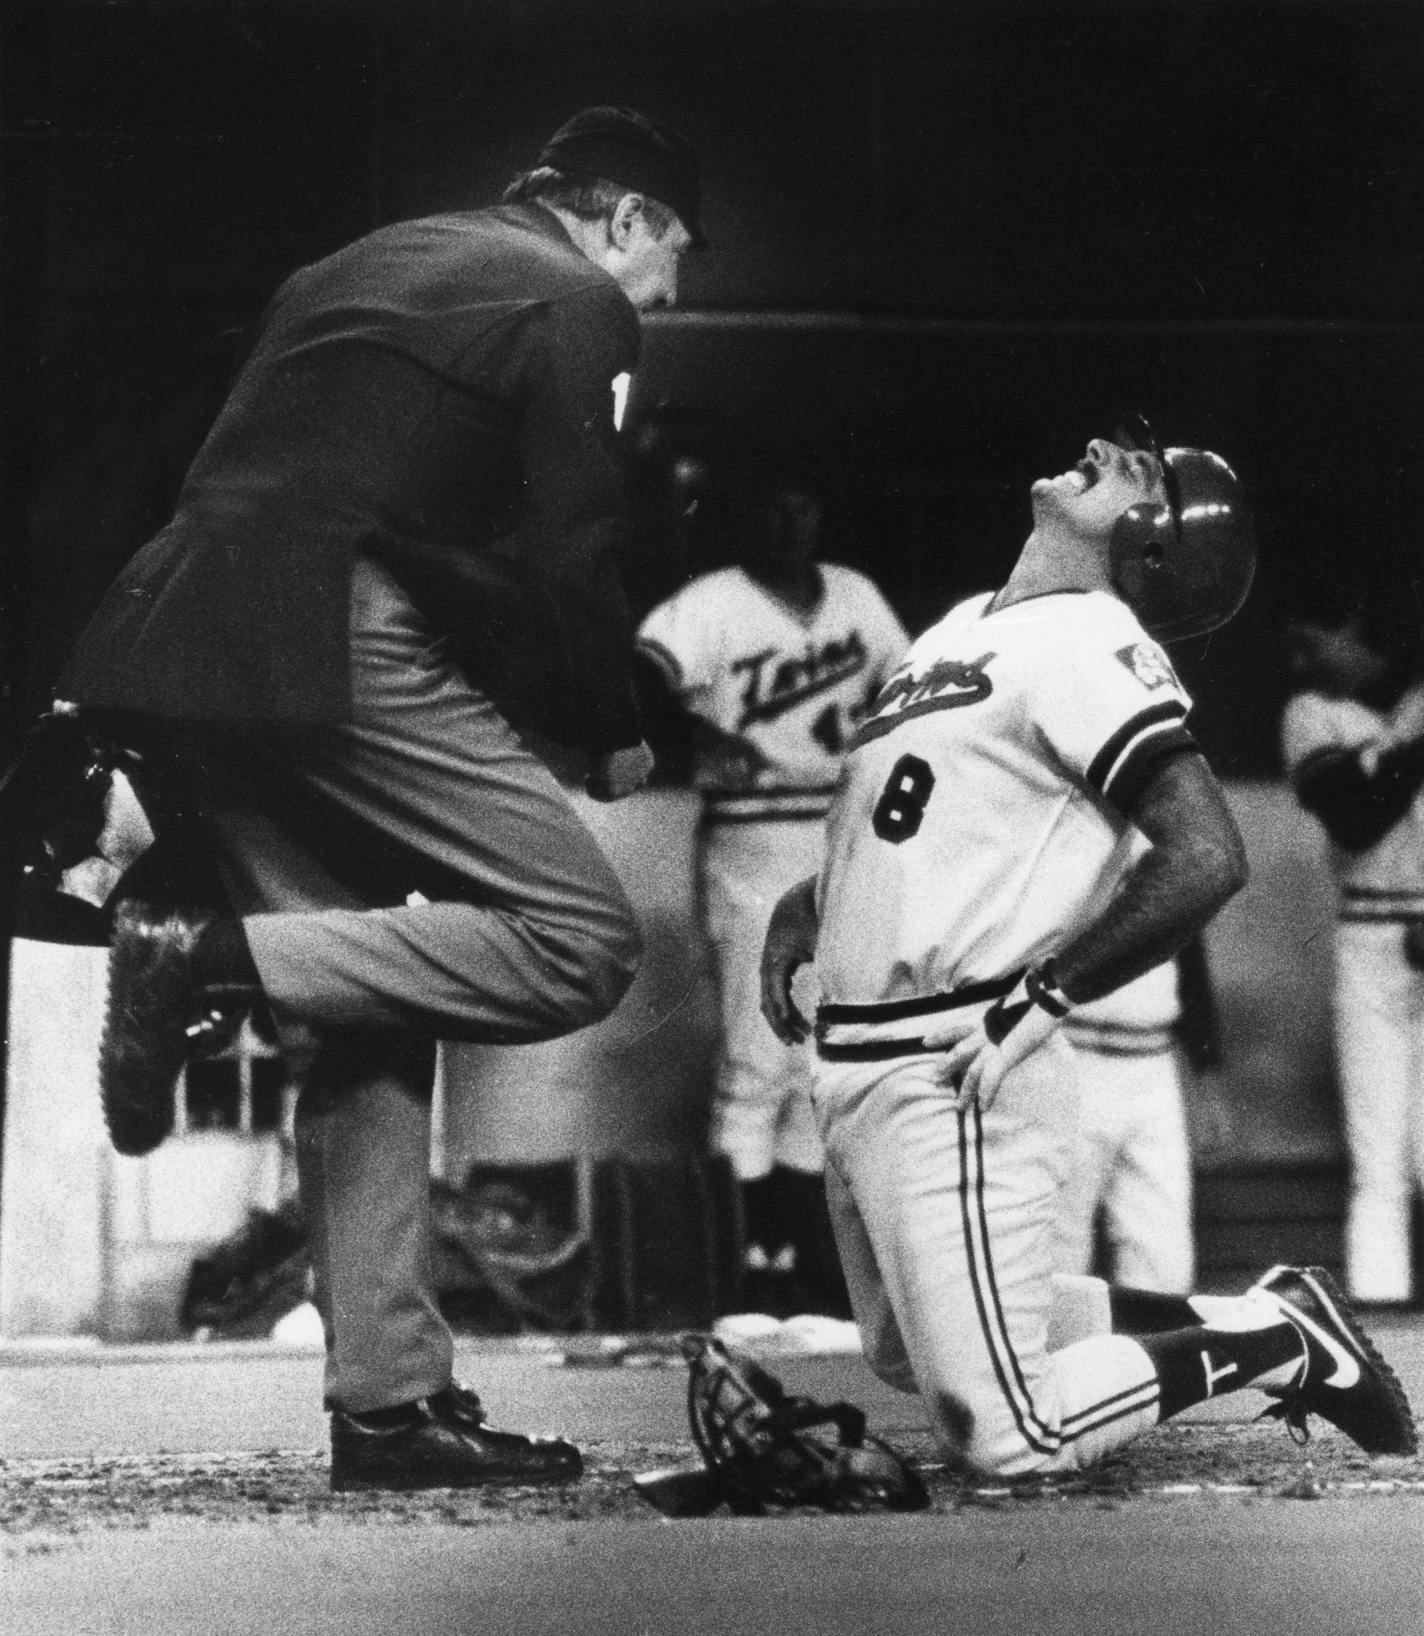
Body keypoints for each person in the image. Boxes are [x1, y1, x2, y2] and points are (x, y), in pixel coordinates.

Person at [57, 106, 706, 1492]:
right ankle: (208, 958)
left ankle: (390, 1412)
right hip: (332, 627)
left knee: (362, 999)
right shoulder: (577, 297)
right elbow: (572, 540)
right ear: (628, 219)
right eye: (677, 258)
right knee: (578, 938)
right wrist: (607, 731)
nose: (669, 294)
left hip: (182, 622)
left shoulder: (355, 262)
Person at [759, 419, 1417, 1475]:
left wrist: (1044, 997)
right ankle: (1258, 1311)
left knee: (1004, 1431)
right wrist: (813, 899)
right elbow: (928, 820)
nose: (1108, 450)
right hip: (854, 1053)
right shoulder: (963, 625)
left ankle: (1275, 1341)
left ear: (1151, 547)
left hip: (951, 1055)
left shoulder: (1089, 636)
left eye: (1141, 471)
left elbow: (1204, 854)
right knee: (900, 1354)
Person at [637, 468, 908, 1315]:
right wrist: (692, 745)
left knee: (821, 1056)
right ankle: (745, 1264)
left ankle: (803, 1267)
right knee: (757, 1055)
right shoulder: (713, 602)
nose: (790, 519)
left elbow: (910, 689)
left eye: (803, 500)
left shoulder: (856, 596)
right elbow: (640, 676)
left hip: (836, 832)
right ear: (745, 514)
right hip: (749, 837)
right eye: (772, 503)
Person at [1280, 595, 1424, 1306]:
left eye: (1315, 638)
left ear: (1359, 629)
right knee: (1381, 1157)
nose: (1302, 662)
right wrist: (1413, 739)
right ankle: (1385, 1318)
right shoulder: (1313, 713)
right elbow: (1357, 815)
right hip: (1373, 932)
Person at [1055, 939, 1221, 1294]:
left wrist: (1206, 1085)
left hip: (1152, 1063)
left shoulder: (1170, 885)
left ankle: (1151, 1347)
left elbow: (1192, 978)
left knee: (1163, 1254)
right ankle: (1058, 1347)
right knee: (1058, 1243)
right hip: (1071, 1054)